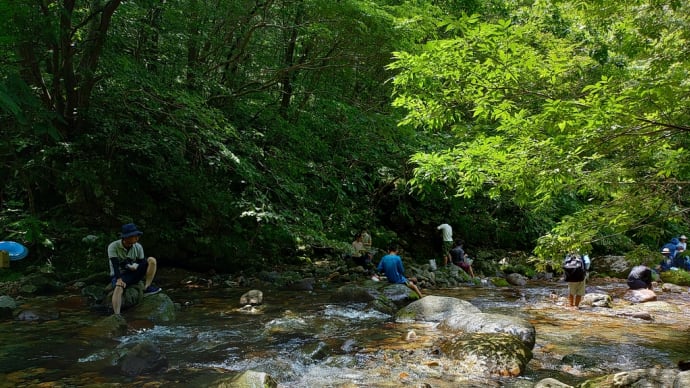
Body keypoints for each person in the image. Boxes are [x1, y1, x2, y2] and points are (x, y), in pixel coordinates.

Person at [108, 223, 161, 315]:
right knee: (119, 286)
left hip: (133, 271)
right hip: (121, 274)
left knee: (152, 260)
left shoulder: (138, 246)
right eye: (134, 236)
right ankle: (117, 315)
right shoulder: (113, 246)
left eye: (137, 236)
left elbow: (142, 262)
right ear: (126, 237)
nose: (137, 238)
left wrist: (135, 265)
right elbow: (115, 264)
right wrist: (119, 279)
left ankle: (146, 287)